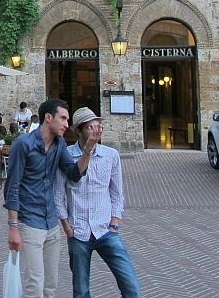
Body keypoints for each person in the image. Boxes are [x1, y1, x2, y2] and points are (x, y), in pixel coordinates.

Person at [4, 99, 100, 298]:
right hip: (30, 222)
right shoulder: (23, 144)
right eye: (63, 118)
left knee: (50, 286)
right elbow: (12, 187)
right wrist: (13, 228)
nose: (67, 124)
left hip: (51, 223)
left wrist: (88, 150)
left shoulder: (59, 144)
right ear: (48, 118)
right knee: (34, 285)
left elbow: (74, 174)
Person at [56, 108, 141, 298]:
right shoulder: (66, 155)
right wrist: (67, 228)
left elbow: (117, 193)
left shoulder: (110, 155)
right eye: (90, 127)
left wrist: (114, 223)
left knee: (131, 287)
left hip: (105, 230)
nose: (96, 130)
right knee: (81, 291)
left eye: (98, 125)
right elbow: (58, 195)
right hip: (78, 232)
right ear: (79, 131)